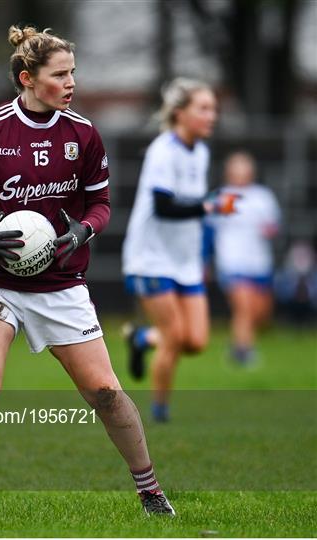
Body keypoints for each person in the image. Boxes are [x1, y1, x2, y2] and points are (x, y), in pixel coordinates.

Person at [0, 25, 175, 517]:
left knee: (106, 392)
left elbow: (101, 203)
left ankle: (151, 491)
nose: (71, 83)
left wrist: (83, 231)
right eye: (60, 74)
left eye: (73, 73)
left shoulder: (83, 133)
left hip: (60, 282)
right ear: (27, 77)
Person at [121, 78, 238, 422]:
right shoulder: (163, 150)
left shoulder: (199, 151)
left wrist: (202, 252)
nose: (211, 115)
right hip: (152, 258)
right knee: (174, 337)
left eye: (213, 108)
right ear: (179, 113)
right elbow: (164, 207)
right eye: (203, 108)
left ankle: (141, 338)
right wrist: (211, 207)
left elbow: (193, 208)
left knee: (196, 341)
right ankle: (159, 413)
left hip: (184, 260)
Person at [208, 151, 281, 364]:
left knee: (260, 312)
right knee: (244, 307)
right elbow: (207, 231)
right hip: (232, 261)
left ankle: (237, 345)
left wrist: (269, 230)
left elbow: (273, 226)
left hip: (258, 261)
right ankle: (244, 354)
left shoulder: (263, 197)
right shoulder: (220, 196)